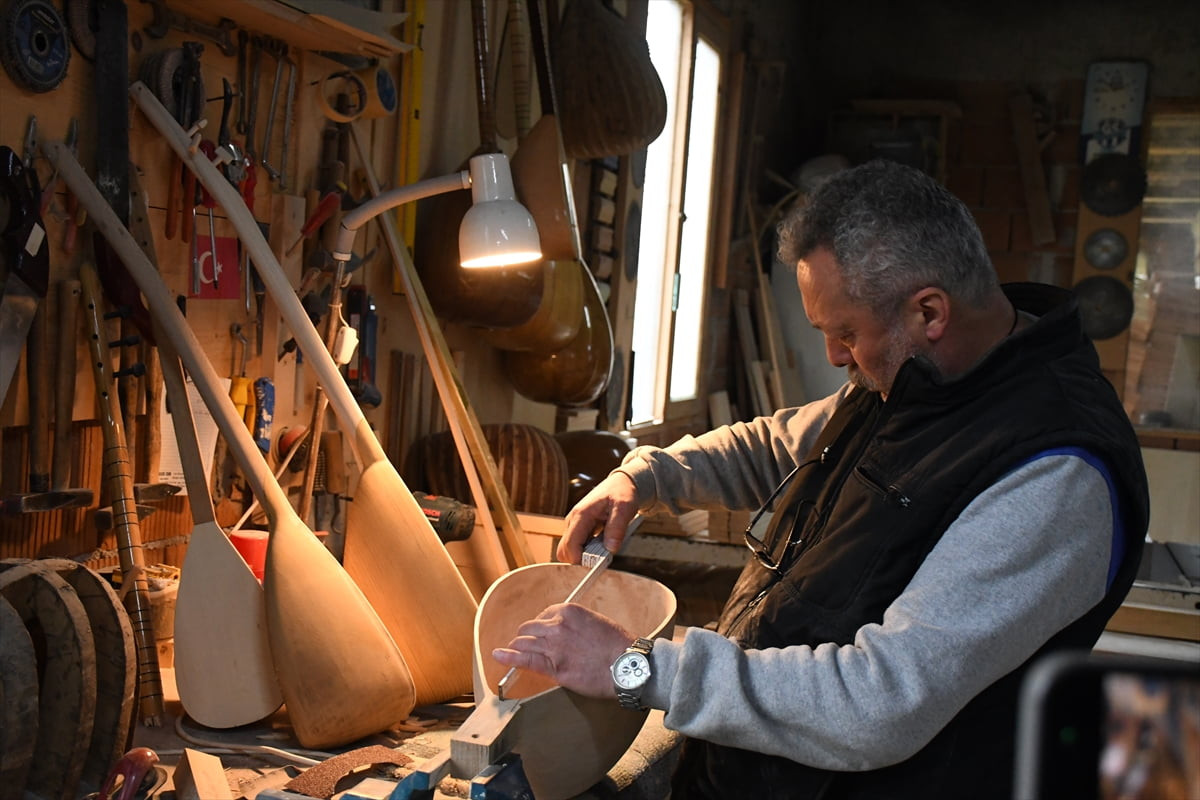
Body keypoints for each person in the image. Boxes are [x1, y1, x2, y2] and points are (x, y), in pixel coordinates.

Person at [491, 159, 1150, 799]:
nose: (836, 358)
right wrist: (650, 474)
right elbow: (778, 447)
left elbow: (881, 699)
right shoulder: (908, 380)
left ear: (929, 313)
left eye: (845, 333)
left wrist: (636, 668)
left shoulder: (1054, 472)